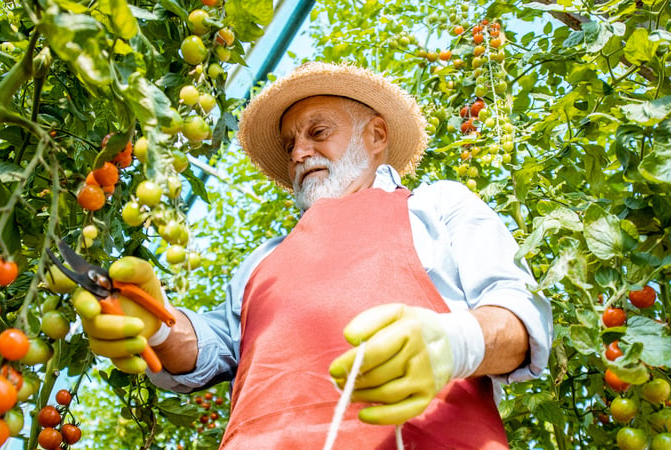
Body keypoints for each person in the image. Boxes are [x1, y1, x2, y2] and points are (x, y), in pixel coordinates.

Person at [84, 62, 552, 449]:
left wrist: (455, 343)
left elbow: (521, 315)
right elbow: (209, 347)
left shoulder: (435, 206)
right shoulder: (262, 261)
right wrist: (157, 324)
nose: (299, 153)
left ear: (376, 135)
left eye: (317, 131)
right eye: (290, 145)